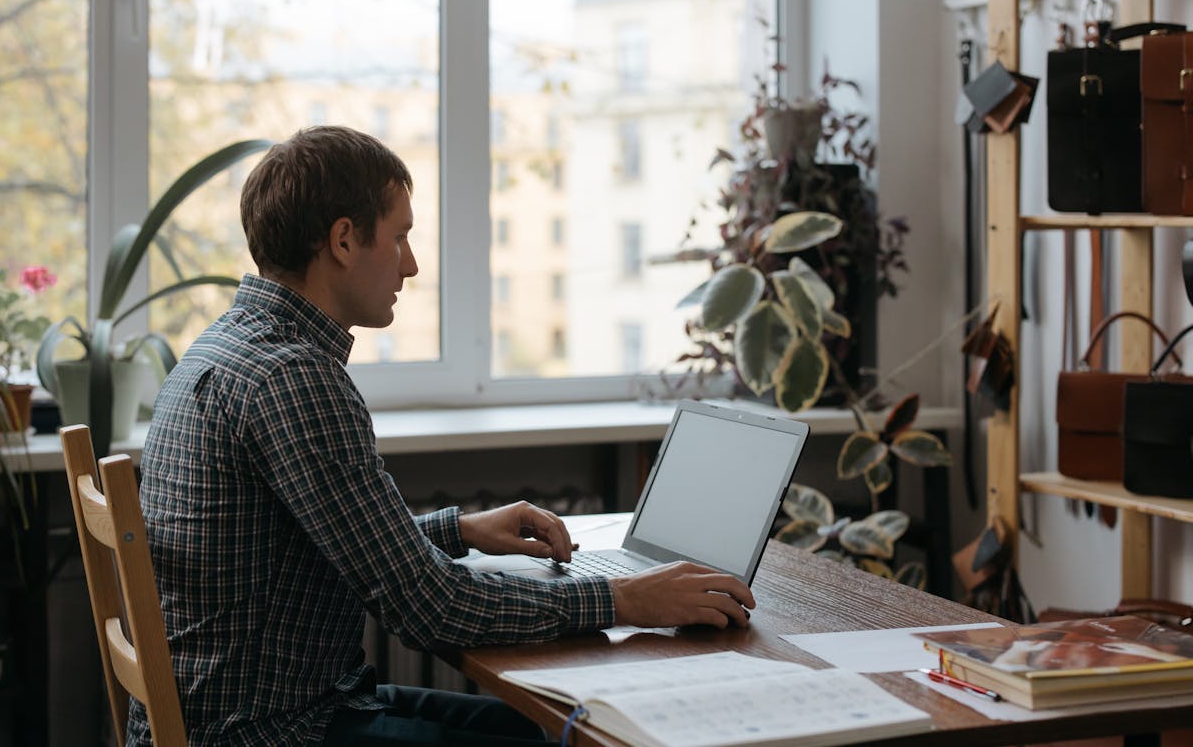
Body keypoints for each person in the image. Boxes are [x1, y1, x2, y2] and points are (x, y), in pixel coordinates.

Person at [130, 125, 756, 746]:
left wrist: (458, 530)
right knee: (563, 735)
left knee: (547, 728)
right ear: (344, 240)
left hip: (245, 710)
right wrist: (626, 600)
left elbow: (314, 548)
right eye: (400, 237)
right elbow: (429, 608)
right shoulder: (292, 378)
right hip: (272, 730)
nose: (412, 263)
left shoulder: (224, 347)